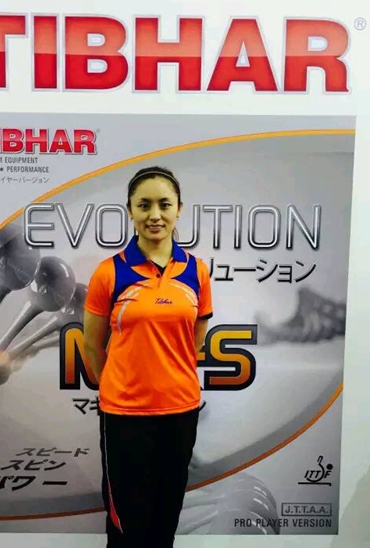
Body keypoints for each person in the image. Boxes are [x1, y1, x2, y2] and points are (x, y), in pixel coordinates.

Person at [83, 166, 213, 548]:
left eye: (164, 204)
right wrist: (118, 387)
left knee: (166, 514)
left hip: (180, 411)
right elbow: (91, 345)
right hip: (124, 415)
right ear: (130, 210)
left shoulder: (196, 271)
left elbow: (196, 338)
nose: (155, 215)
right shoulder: (109, 272)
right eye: (144, 205)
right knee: (127, 522)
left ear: (179, 209)